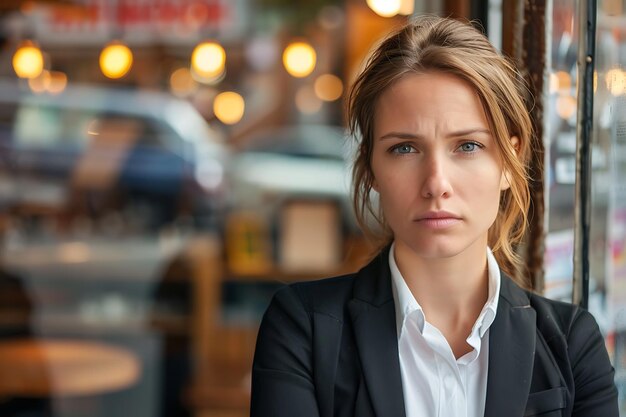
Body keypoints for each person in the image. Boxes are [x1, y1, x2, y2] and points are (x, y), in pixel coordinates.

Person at [250, 15, 618, 417]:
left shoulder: (571, 344)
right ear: (371, 167)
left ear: (510, 163)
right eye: (405, 148)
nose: (436, 182)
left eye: (468, 146)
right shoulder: (304, 329)